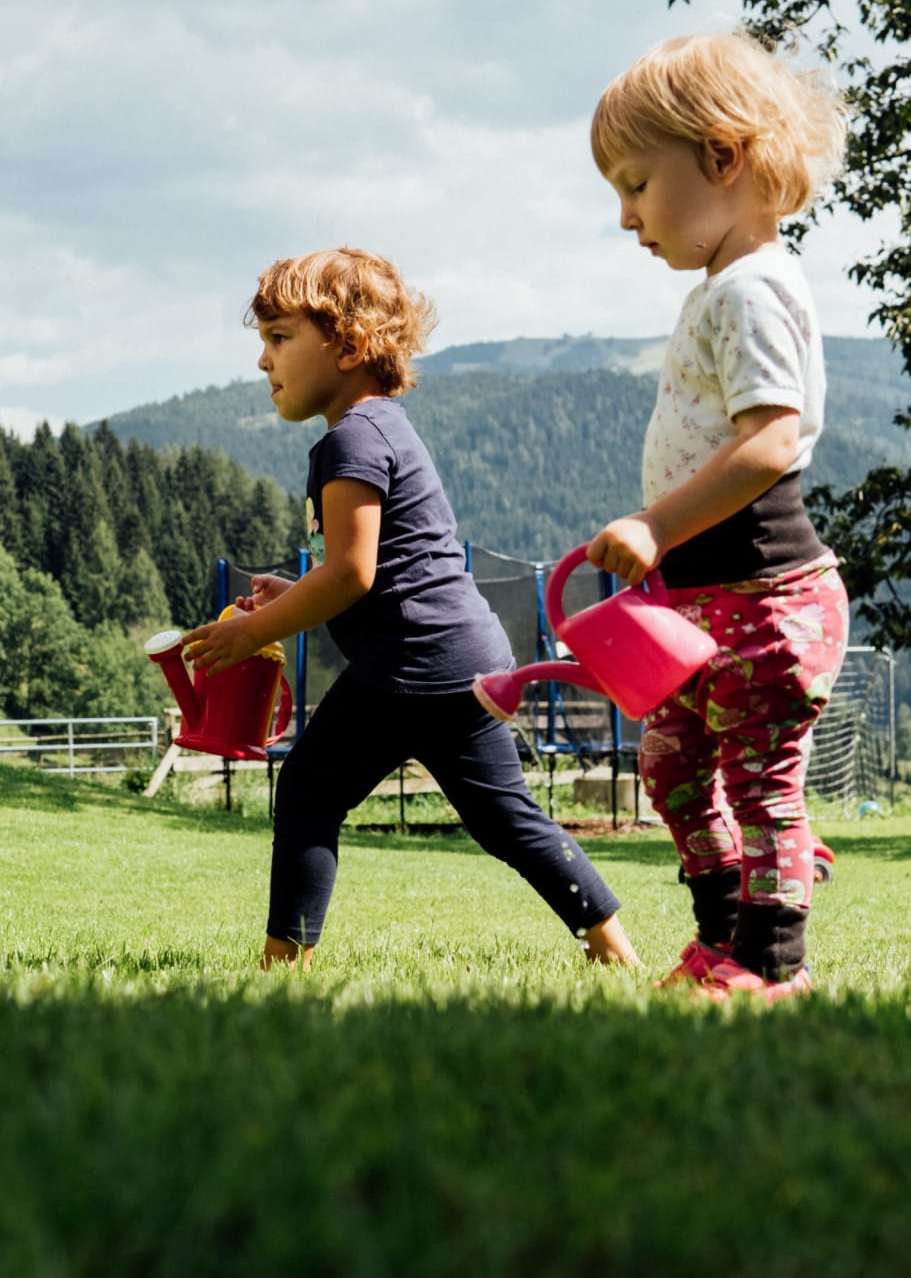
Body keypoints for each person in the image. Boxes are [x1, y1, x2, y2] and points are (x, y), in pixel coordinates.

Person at [182, 247, 637, 972]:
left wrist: (252, 634)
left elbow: (349, 575)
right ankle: (613, 949)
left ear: (349, 345)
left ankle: (282, 965)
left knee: (308, 789)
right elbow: (368, 567)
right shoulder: (382, 428)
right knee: (505, 818)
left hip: (412, 661)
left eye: (279, 338)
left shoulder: (351, 439)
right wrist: (288, 594)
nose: (263, 361)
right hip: (462, 655)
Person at [586, 32, 850, 1000]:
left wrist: (656, 525)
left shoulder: (753, 289)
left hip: (765, 596)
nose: (626, 216)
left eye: (637, 184)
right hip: (706, 600)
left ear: (724, 156)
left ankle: (771, 962)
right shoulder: (725, 288)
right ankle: (722, 935)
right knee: (670, 763)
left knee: (760, 781)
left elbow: (772, 440)